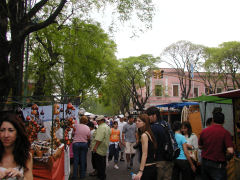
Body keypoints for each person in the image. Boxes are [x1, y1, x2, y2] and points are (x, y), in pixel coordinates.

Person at [199, 110, 234, 180]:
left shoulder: (204, 131)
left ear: (213, 120)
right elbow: (230, 151)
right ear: (224, 121)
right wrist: (228, 161)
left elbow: (200, 146)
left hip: (205, 163)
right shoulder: (226, 133)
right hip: (218, 165)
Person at [0, 112, 33, 180]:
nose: (6, 135)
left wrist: (20, 176)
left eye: (11, 130)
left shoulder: (26, 156)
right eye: (2, 130)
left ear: (18, 134)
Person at [146, 106, 173, 180]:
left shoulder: (154, 127)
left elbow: (152, 145)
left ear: (154, 115)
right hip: (169, 158)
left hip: (159, 160)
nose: (148, 118)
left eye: (148, 116)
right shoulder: (166, 124)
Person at [134, 114, 157, 180]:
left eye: (139, 121)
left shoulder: (144, 135)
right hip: (152, 166)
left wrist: (141, 171)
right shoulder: (149, 133)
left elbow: (145, 154)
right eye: (136, 120)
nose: (136, 122)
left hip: (147, 167)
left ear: (145, 123)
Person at [90, 115, 111, 180]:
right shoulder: (107, 127)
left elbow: (99, 139)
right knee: (102, 163)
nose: (97, 122)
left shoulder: (101, 127)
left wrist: (95, 147)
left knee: (99, 164)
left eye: (98, 121)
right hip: (103, 148)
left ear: (101, 121)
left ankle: (101, 176)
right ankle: (101, 175)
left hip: (99, 148)